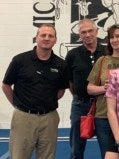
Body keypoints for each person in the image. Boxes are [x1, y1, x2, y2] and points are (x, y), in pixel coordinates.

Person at [2, 24, 69, 159]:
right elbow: (6, 85)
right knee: (19, 156)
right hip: (23, 118)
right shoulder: (20, 60)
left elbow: (61, 91)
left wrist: (46, 102)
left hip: (49, 118)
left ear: (55, 40)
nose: (46, 38)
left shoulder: (61, 64)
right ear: (36, 38)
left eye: (50, 36)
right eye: (43, 35)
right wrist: (18, 105)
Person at [86, 24, 119, 159]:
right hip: (103, 117)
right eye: (111, 37)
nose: (115, 40)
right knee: (107, 155)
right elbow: (89, 88)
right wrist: (105, 88)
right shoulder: (102, 61)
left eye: (118, 36)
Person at [65, 18, 105, 159]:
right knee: (76, 148)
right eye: (83, 32)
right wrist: (81, 97)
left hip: (104, 106)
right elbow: (70, 82)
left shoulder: (107, 52)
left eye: (90, 31)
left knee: (107, 147)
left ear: (97, 31)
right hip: (80, 106)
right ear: (79, 35)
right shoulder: (72, 55)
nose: (87, 35)